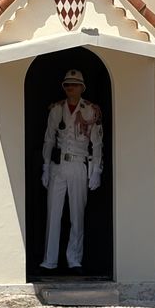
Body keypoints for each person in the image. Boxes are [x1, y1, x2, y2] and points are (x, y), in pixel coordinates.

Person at [40, 69, 103, 275]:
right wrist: (46, 166)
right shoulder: (57, 109)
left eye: (74, 85)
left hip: (78, 164)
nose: (70, 88)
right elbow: (49, 138)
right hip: (58, 165)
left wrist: (96, 170)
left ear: (82, 88)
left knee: (77, 214)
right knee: (53, 214)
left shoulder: (90, 110)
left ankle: (74, 259)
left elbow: (97, 143)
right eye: (67, 85)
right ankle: (49, 260)